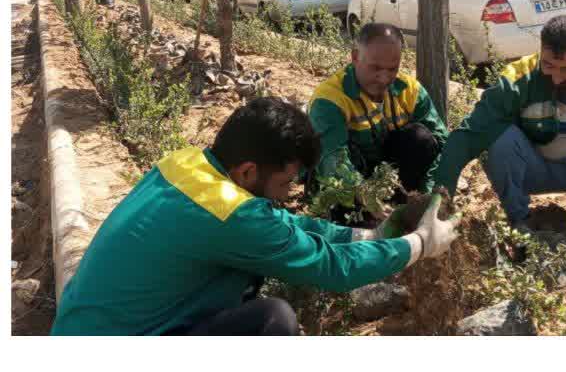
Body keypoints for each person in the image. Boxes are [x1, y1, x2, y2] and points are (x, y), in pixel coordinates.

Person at [52, 96, 453, 335]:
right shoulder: (233, 216)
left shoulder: (188, 165)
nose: (287, 194)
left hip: (84, 331)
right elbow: (331, 268)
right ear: (248, 171)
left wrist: (368, 237)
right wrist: (418, 244)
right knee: (271, 321)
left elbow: (285, 226)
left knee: (244, 283)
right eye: (284, 183)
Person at [430, 14, 566, 233]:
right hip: (532, 171)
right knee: (499, 138)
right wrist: (438, 202)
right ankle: (520, 218)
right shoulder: (516, 79)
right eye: (548, 65)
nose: (556, 78)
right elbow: (467, 137)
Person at [308, 22, 448, 205]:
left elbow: (444, 143)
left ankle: (404, 202)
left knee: (420, 137)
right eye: (375, 68)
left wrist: (427, 192)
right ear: (355, 57)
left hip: (391, 179)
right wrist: (367, 198)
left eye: (392, 69)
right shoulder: (329, 100)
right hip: (351, 183)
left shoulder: (410, 89)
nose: (384, 78)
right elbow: (331, 162)